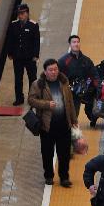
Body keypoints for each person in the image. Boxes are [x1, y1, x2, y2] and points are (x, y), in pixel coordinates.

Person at [28, 59, 77, 187]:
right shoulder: (38, 84)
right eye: (51, 70)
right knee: (47, 153)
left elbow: (70, 102)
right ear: (45, 71)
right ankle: (49, 176)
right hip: (47, 126)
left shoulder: (64, 82)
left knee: (64, 154)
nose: (54, 72)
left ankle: (64, 177)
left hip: (63, 125)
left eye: (56, 69)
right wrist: (46, 104)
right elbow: (31, 100)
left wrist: (73, 120)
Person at [58, 34, 98, 127]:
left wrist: (98, 89)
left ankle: (71, 134)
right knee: (64, 115)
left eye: (78, 42)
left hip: (78, 94)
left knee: (74, 115)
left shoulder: (86, 60)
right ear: (70, 45)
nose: (76, 44)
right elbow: (57, 77)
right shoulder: (63, 61)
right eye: (74, 42)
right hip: (65, 94)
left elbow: (94, 75)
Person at [6, 3, 40, 106]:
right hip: (18, 57)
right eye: (19, 14)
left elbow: (36, 42)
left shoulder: (33, 25)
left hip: (30, 57)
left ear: (27, 13)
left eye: (22, 13)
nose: (20, 16)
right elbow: (10, 40)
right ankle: (19, 98)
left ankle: (32, 97)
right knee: (18, 79)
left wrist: (36, 55)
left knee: (32, 78)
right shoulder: (14, 25)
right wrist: (10, 53)